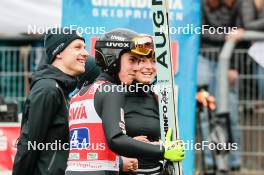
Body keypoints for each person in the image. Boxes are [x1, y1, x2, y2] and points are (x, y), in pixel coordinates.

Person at [65, 28, 184, 175]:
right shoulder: (112, 91)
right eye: (132, 60)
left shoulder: (80, 95)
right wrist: (163, 150)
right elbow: (116, 139)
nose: (137, 67)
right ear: (112, 58)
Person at [12, 28, 88, 175]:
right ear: (58, 52)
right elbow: (29, 143)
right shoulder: (48, 88)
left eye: (84, 48)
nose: (85, 53)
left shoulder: (61, 88)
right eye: (77, 47)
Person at [123, 47, 163, 174]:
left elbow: (169, 141)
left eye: (153, 61)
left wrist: (163, 146)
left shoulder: (158, 98)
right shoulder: (115, 94)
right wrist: (129, 143)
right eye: (142, 60)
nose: (149, 66)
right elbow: (97, 144)